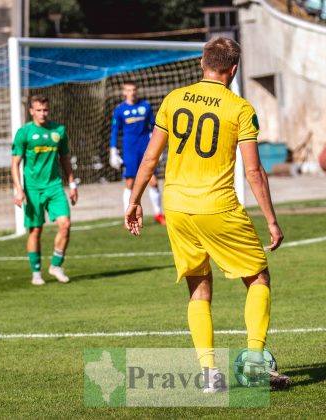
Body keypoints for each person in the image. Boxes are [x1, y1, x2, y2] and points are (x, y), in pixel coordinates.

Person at [125, 37, 292, 392]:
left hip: (177, 207)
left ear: (202, 63)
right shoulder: (240, 108)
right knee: (257, 279)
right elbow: (253, 171)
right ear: (233, 70)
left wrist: (135, 199)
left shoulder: (173, 99)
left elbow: (151, 157)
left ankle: (208, 374)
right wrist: (272, 221)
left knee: (199, 287)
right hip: (217, 206)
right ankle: (255, 361)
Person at [11, 94, 78, 286]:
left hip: (55, 186)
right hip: (32, 189)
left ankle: (56, 265)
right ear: (31, 111)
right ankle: (36, 272)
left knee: (65, 224)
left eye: (45, 110)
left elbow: (65, 159)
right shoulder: (24, 133)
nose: (42, 114)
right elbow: (15, 164)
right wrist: (19, 190)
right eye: (38, 110)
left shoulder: (58, 131)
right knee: (36, 230)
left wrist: (72, 185)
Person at [109, 80, 166, 225]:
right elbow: (115, 131)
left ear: (137, 90)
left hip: (145, 149)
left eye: (133, 89)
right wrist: (113, 150)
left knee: (153, 181)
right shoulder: (120, 110)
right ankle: (127, 215)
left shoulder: (145, 106)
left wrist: (159, 147)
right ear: (124, 92)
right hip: (130, 150)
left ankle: (158, 214)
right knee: (130, 182)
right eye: (128, 90)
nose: (131, 92)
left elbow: (155, 126)